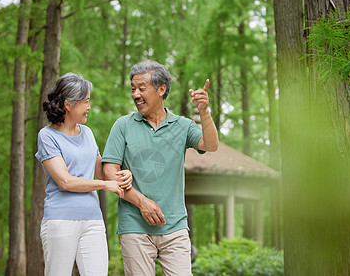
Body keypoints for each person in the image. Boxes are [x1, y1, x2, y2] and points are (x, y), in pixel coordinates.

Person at [102, 60, 219, 275]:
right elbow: (109, 171)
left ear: (161, 89)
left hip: (174, 228)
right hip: (135, 227)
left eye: (142, 88)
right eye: (133, 89)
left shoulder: (182, 126)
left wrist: (204, 112)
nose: (135, 94)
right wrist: (142, 202)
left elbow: (210, 145)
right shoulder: (123, 126)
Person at [35, 73, 133, 276]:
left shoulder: (87, 133)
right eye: (86, 102)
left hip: (92, 220)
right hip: (60, 221)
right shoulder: (47, 136)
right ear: (69, 104)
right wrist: (105, 186)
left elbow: (102, 173)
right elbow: (65, 181)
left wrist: (124, 175)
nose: (89, 107)